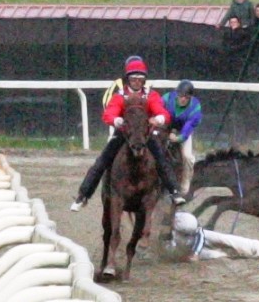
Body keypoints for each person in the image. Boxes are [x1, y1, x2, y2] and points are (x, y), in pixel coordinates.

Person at [70, 56, 187, 211]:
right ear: (128, 80)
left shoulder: (151, 95)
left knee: (161, 159)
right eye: (134, 79)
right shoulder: (120, 96)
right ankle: (83, 195)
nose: (137, 82)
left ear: (144, 80)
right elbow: (108, 114)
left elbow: (163, 113)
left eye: (140, 79)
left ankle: (174, 191)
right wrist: (117, 120)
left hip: (145, 134)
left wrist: (158, 118)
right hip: (124, 134)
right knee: (102, 161)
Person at [166, 212, 259, 262]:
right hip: (182, 243)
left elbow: (199, 232)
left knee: (222, 239)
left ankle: (255, 246)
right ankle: (235, 254)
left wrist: (195, 253)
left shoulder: (183, 221)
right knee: (214, 255)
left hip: (188, 233)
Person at [162, 79, 203, 194]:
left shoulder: (195, 108)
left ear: (190, 98)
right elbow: (157, 110)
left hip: (183, 131)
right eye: (181, 96)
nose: (183, 99)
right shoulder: (167, 98)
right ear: (177, 94)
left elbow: (188, 128)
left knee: (187, 156)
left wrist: (177, 138)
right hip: (165, 128)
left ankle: (186, 184)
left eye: (186, 97)